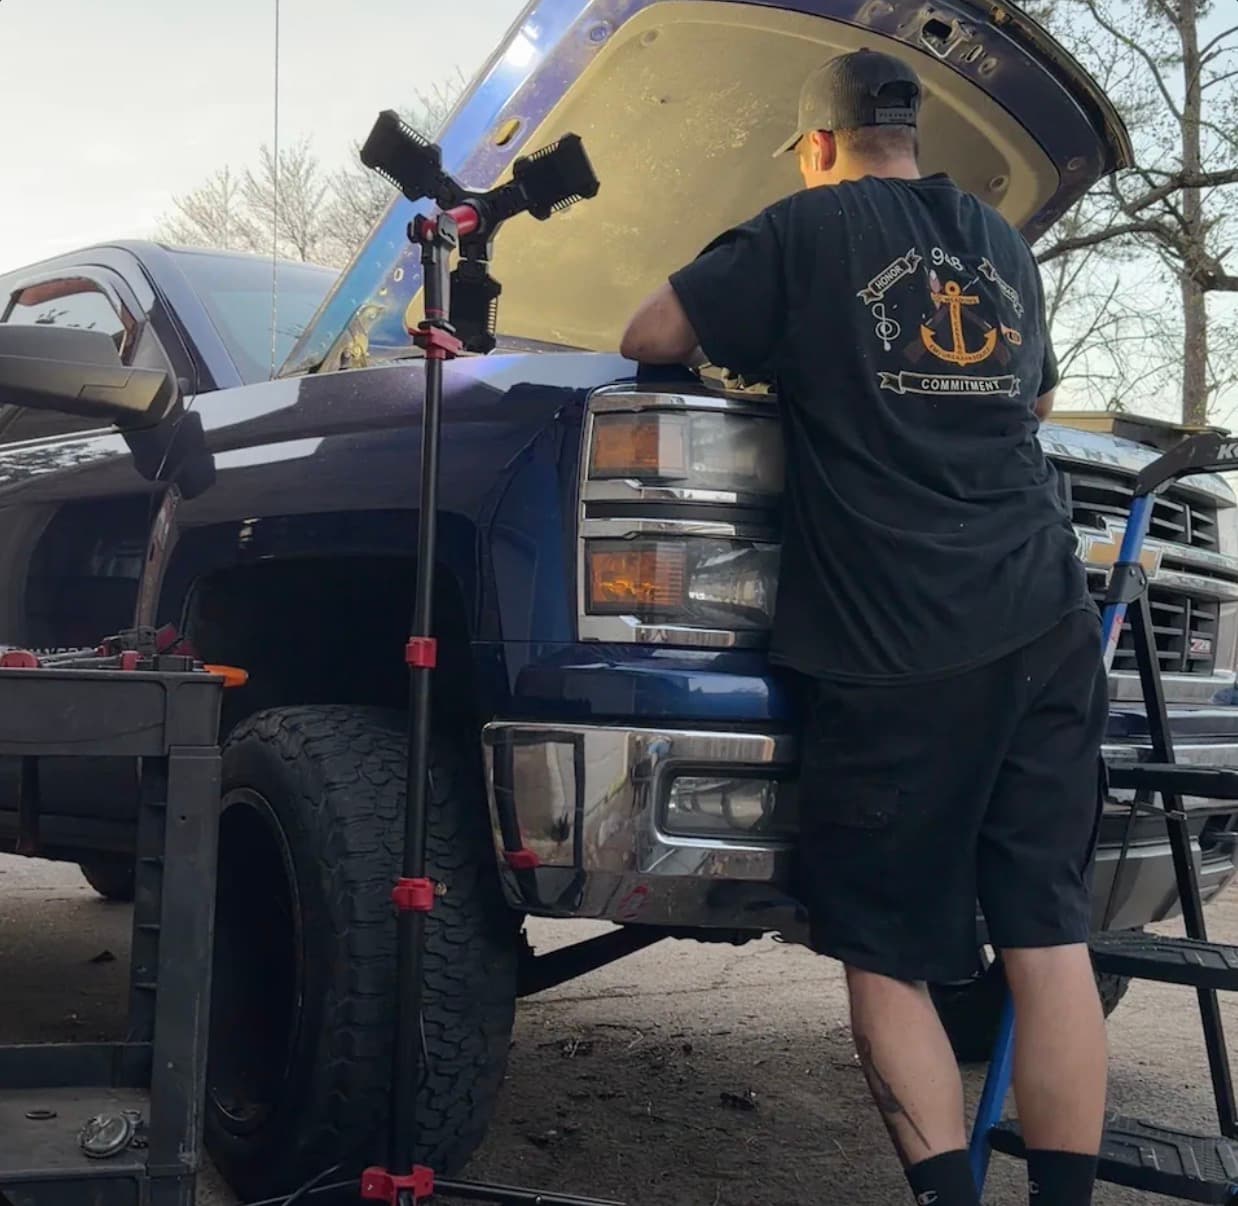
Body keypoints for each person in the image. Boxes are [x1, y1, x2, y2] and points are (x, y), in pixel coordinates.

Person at [620, 47, 1108, 1206]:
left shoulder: (804, 226)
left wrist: (799, 362)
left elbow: (650, 335)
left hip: (899, 640)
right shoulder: (995, 245)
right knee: (1046, 937)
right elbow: (1033, 394)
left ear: (817, 146)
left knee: (882, 952)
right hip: (1044, 615)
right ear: (911, 139)